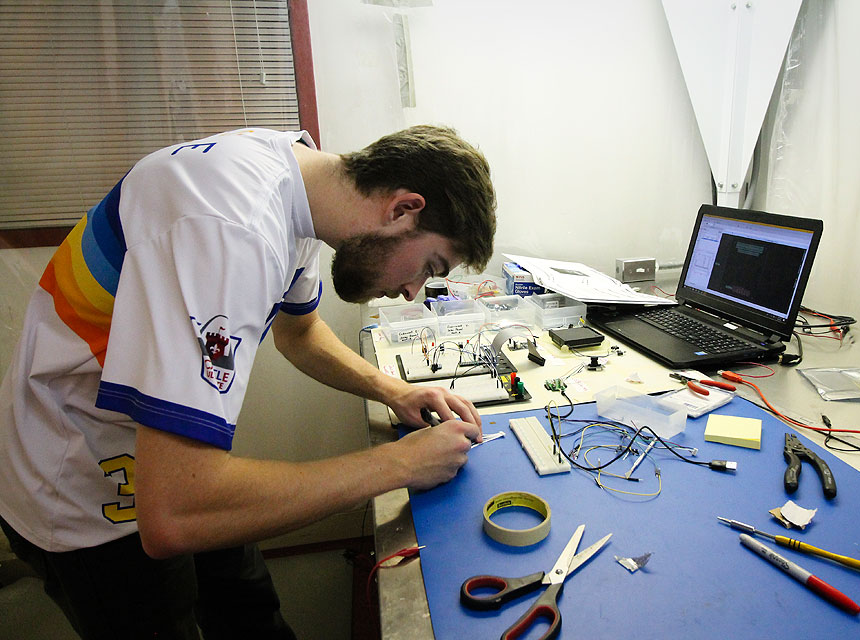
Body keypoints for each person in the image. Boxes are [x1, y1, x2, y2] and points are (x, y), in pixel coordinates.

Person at [0, 125, 497, 639]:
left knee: (252, 617)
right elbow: (174, 515)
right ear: (402, 210)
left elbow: (299, 332)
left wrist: (394, 390)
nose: (414, 291)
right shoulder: (231, 225)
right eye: (430, 266)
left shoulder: (303, 191)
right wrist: (399, 464)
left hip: (174, 462)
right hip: (81, 484)